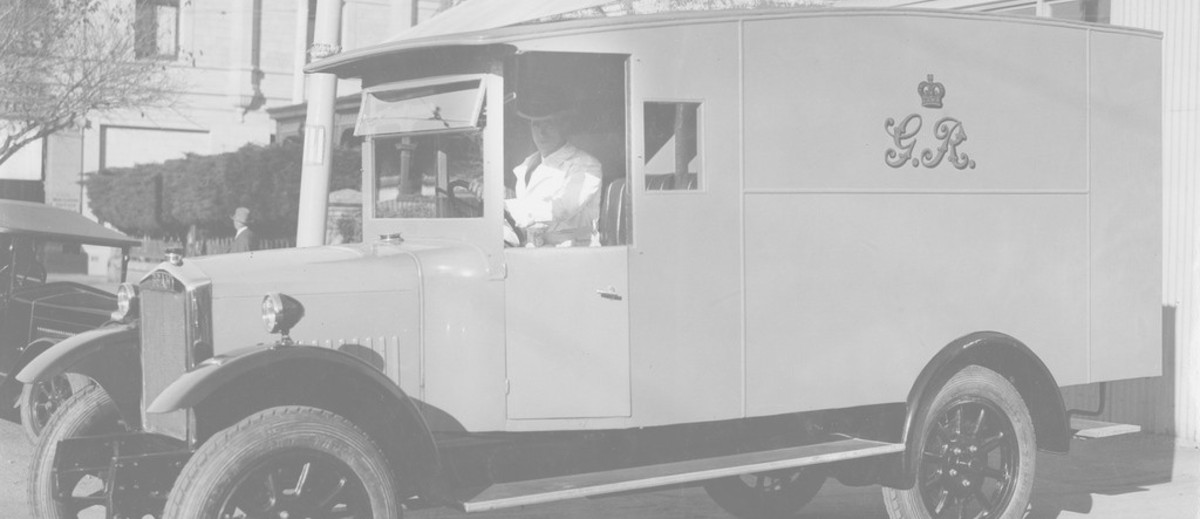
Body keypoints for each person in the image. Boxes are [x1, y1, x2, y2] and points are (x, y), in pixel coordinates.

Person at [502, 90, 603, 247]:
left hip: (573, 252)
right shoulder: (530, 164)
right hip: (536, 249)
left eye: (548, 123)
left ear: (564, 125)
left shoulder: (586, 165)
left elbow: (562, 208)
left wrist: (508, 206)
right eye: (536, 124)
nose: (541, 132)